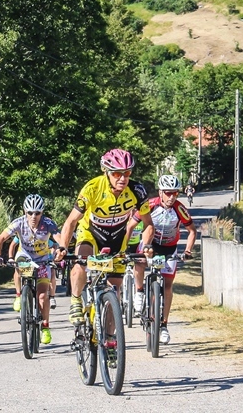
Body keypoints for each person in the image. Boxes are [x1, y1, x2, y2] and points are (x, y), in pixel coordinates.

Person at [57, 148, 155, 349]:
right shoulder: (92, 188)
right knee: (80, 264)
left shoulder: (137, 191)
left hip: (117, 240)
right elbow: (70, 222)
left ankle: (110, 340)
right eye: (117, 173)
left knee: (115, 293)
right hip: (91, 234)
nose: (123, 178)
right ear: (106, 172)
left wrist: (147, 245)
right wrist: (62, 247)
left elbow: (148, 223)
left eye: (127, 173)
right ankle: (76, 300)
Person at [128, 174, 198, 345]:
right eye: (168, 193)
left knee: (167, 286)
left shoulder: (179, 209)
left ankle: (164, 325)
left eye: (175, 193)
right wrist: (123, 247)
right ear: (160, 192)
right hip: (150, 244)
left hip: (169, 248)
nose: (172, 197)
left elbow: (192, 231)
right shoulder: (150, 205)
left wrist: (188, 250)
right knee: (140, 261)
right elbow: (130, 225)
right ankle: (139, 291)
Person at [0, 194, 62, 345]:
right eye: (30, 212)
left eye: (37, 213)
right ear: (25, 211)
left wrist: (61, 250)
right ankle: (19, 295)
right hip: (24, 256)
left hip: (42, 259)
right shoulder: (18, 223)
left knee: (43, 296)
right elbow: (0, 239)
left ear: (42, 213)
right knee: (18, 266)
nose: (33, 216)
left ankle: (45, 327)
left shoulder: (48, 224)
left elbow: (60, 239)